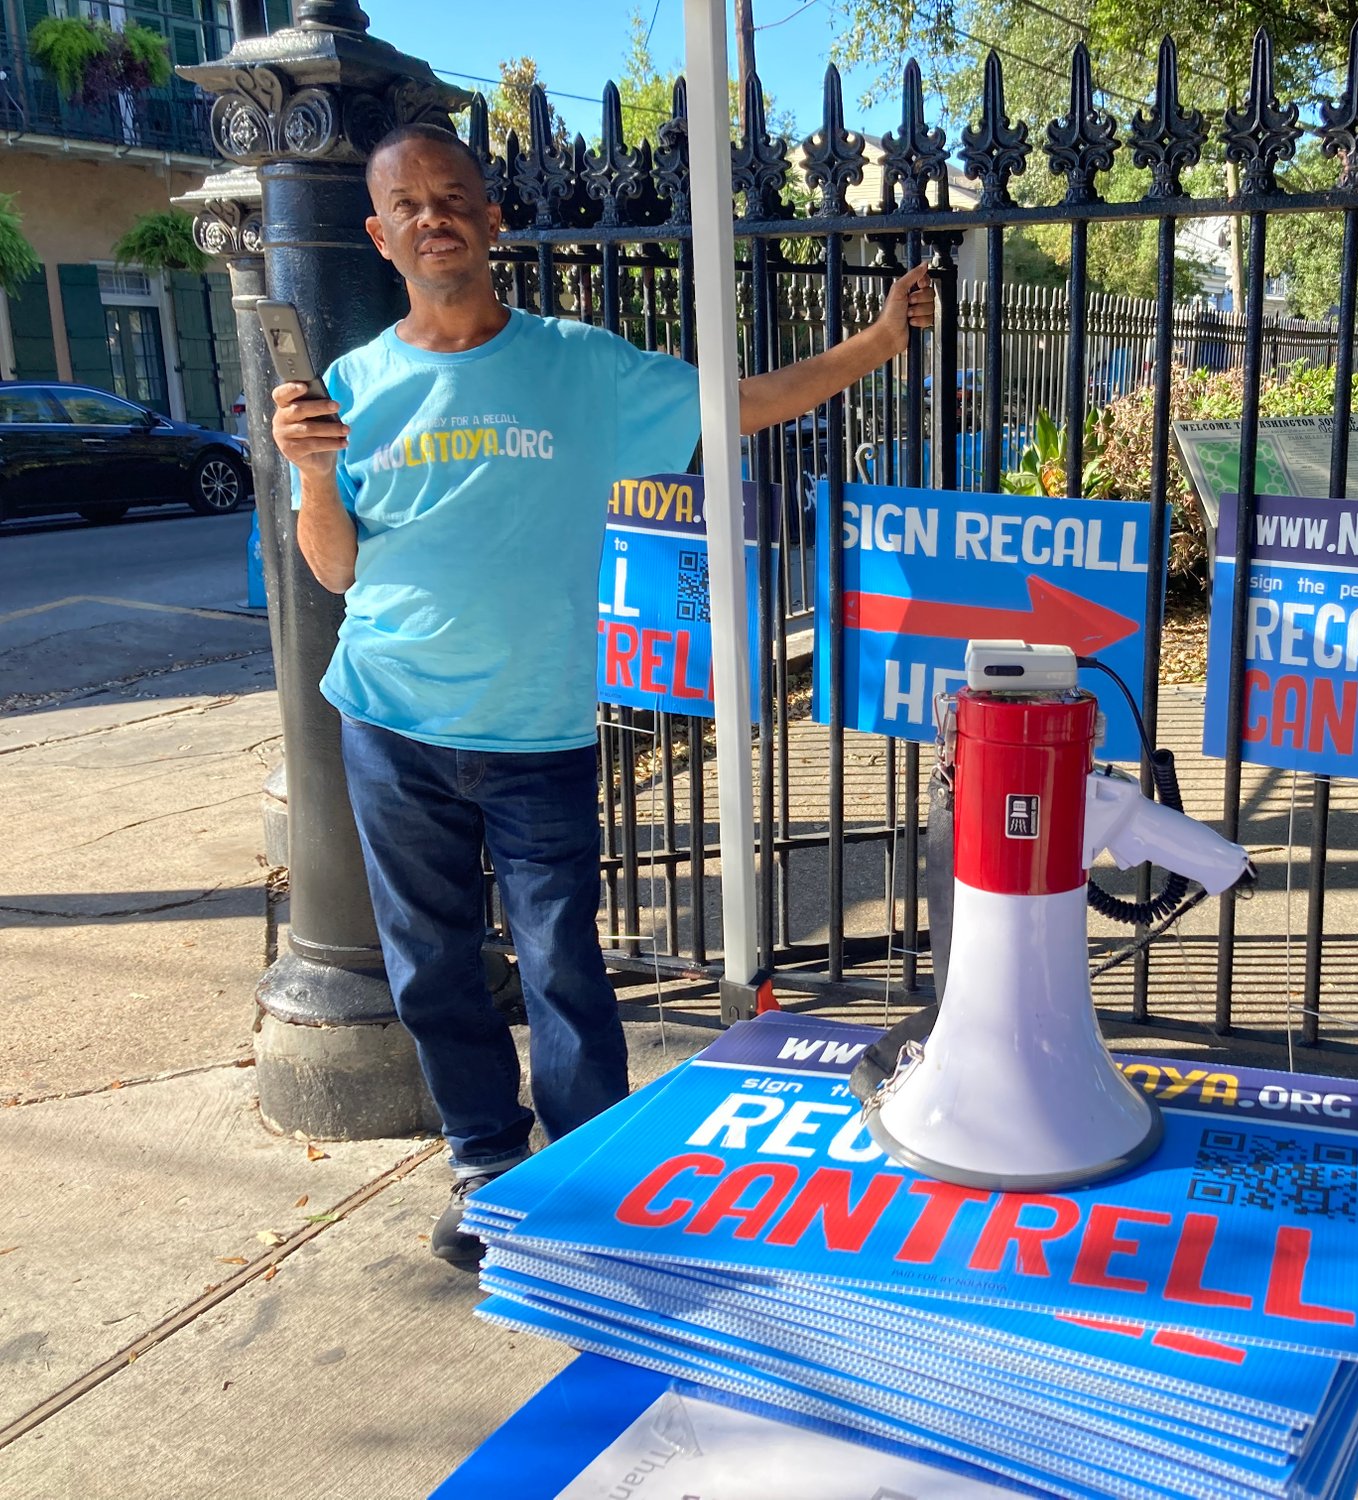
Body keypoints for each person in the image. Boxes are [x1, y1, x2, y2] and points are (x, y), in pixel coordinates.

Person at [269, 122, 932, 1264]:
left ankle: (581, 1176)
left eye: (452, 196)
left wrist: (875, 341)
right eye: (408, 205)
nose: (433, 217)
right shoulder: (351, 388)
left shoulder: (584, 366)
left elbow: (744, 402)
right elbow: (332, 569)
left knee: (563, 964)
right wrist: (314, 472)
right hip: (391, 717)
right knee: (431, 966)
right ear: (379, 237)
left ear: (491, 219)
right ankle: (486, 1162)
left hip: (536, 726)